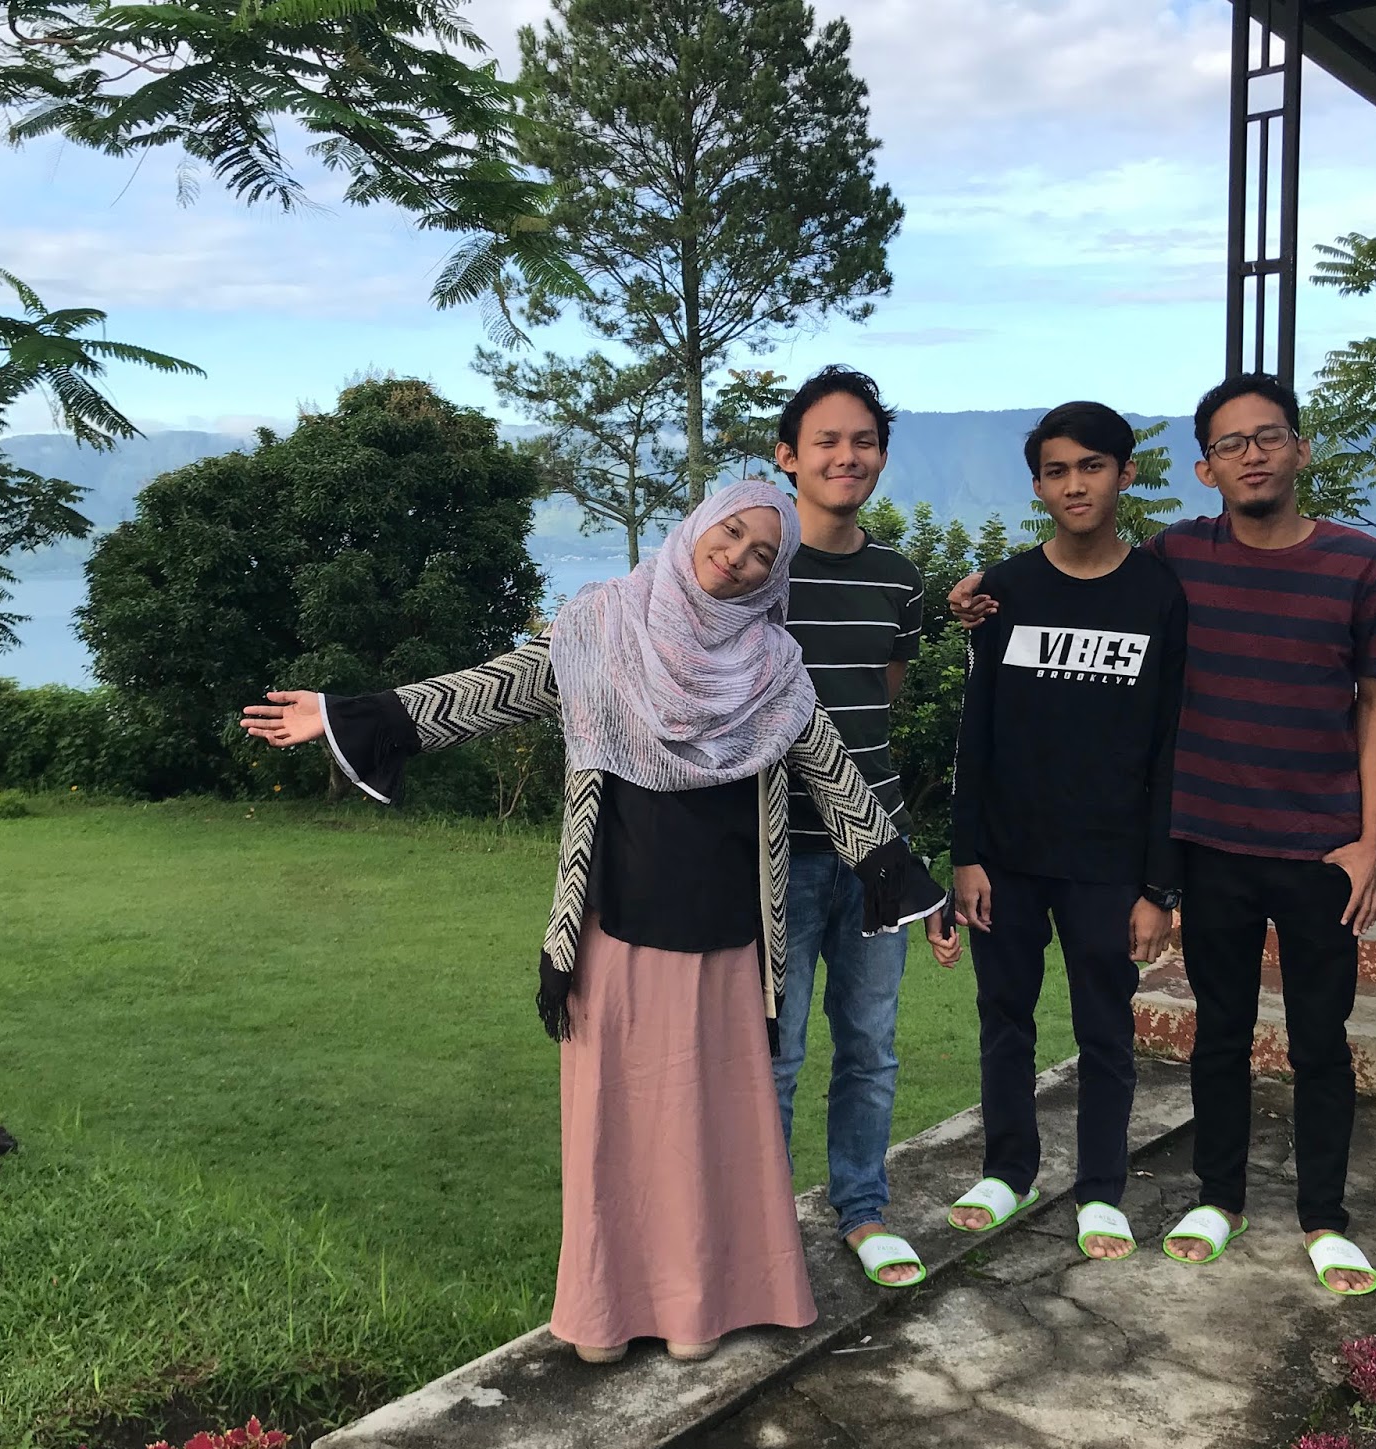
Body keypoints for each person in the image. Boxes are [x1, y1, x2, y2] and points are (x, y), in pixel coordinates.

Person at [241, 481, 947, 1367]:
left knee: (710, 1122)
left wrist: (902, 878)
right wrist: (349, 714)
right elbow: (489, 691)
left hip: (728, 937)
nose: (738, 557)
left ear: (775, 579)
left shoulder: (775, 669)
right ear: (698, 527)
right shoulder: (600, 626)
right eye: (732, 532)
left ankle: (699, 1310)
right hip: (612, 924)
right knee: (615, 1121)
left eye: (764, 555)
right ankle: (605, 1312)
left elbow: (836, 777)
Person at [949, 374, 1376, 1296]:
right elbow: (1003, 691)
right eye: (1231, 444)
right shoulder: (1144, 565)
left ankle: (1320, 1218)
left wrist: (1371, 842)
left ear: (1300, 448)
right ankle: (1208, 1196)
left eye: (1268, 437)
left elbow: (1370, 703)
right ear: (1206, 468)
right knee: (1212, 1034)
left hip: (1302, 850)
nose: (1252, 456)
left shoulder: (1333, 566)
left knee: (1317, 1039)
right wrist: (979, 597)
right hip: (1187, 847)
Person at [932, 402, 1186, 1262]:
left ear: (1125, 474)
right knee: (1004, 1017)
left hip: (1108, 864)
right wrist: (966, 855)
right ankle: (1008, 1170)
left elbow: (1168, 748)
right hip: (1007, 857)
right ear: (1038, 485)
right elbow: (977, 733)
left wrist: (1157, 887)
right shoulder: (1005, 591)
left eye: (1092, 466)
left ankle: (1102, 1189)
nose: (1075, 485)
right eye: (1056, 471)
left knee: (1105, 1030)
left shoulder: (1158, 595)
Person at [770, 366, 931, 1289]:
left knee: (870, 1048)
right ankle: (762, 1229)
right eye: (826, 440)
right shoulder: (755, 566)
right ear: (787, 457)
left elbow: (881, 697)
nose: (847, 455)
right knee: (776, 1053)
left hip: (879, 855)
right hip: (775, 854)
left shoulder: (898, 579)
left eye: (863, 441)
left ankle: (863, 1209)